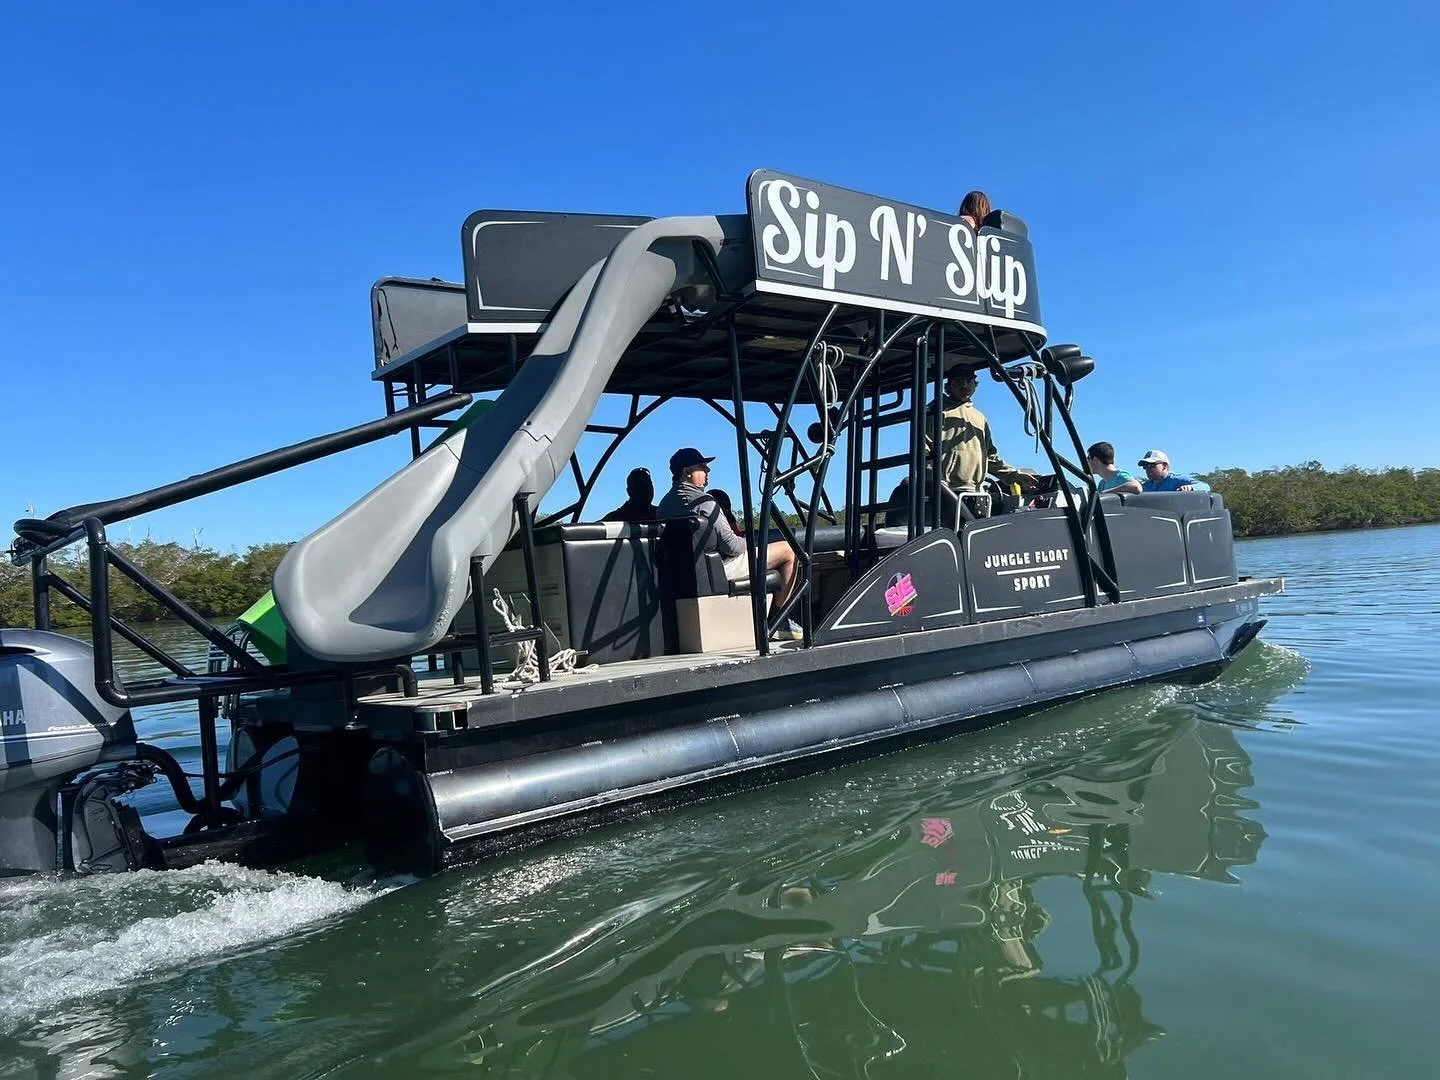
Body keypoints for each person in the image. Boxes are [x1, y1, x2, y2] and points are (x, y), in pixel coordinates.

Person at [657, 447, 800, 640]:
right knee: (789, 551)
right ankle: (779, 620)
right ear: (687, 471)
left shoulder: (664, 505)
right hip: (719, 569)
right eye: (702, 466)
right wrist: (750, 541)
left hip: (685, 575)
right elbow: (733, 547)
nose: (708, 470)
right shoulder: (704, 502)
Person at [925, 368, 1037, 496]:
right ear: (949, 385)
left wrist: (1015, 476)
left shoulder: (979, 418)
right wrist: (933, 480)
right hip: (944, 492)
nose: (964, 385)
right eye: (959, 381)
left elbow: (989, 458)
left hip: (975, 492)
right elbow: (923, 451)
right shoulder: (934, 411)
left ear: (975, 384)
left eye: (969, 381)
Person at [1137, 449, 1210, 493]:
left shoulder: (1176, 479)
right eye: (1145, 466)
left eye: (1152, 465)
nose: (1148, 469)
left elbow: (1205, 487)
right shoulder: (1145, 486)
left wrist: (1190, 488)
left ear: (1165, 466)